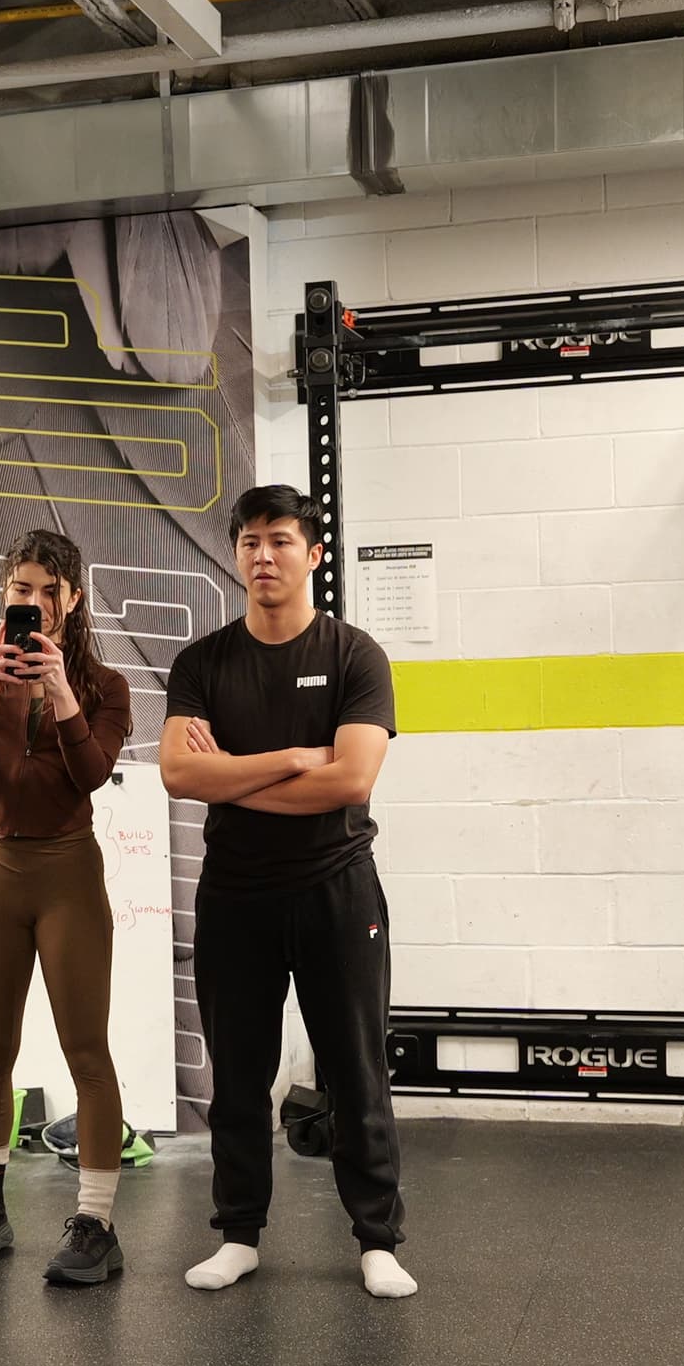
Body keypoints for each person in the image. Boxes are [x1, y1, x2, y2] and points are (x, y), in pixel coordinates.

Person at [159, 486, 414, 1301]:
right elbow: (176, 772)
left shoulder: (355, 656)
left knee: (357, 1069)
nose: (262, 556)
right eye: (248, 543)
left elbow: (353, 779)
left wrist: (231, 777)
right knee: (238, 1075)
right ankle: (238, 1236)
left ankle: (377, 1240)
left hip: (338, 890)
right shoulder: (203, 663)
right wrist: (293, 759)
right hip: (236, 894)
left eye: (279, 540)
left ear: (313, 555)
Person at [0, 530, 138, 1285]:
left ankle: (95, 1223)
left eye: (49, 592)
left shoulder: (105, 687)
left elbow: (90, 772)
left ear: (73, 600)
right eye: (22, 590)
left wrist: (58, 691)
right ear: (5, 595)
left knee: (87, 1051)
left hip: (67, 875)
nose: (34, 604)